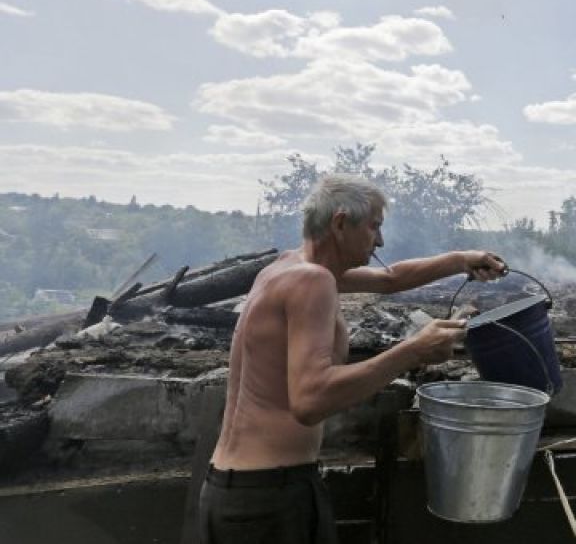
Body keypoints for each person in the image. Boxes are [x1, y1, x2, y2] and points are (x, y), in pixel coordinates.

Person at [198, 174, 507, 544]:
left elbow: (390, 279)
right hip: (270, 498)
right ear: (341, 223)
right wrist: (413, 350)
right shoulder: (312, 281)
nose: (380, 240)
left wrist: (461, 259)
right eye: (374, 226)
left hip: (236, 489)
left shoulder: (286, 268)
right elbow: (310, 400)